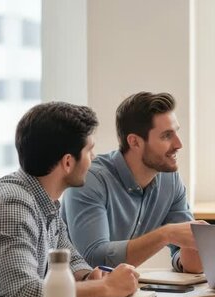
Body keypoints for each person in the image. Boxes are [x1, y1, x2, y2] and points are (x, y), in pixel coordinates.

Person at [0, 102, 139, 297]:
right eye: (89, 150)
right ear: (68, 162)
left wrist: (87, 277)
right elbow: (22, 296)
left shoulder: (44, 199)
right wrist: (107, 287)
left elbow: (70, 259)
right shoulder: (12, 205)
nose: (93, 157)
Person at [61, 92, 205, 273]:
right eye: (166, 136)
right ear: (135, 142)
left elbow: (190, 264)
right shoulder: (90, 180)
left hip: (119, 294)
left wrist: (199, 242)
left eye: (176, 132)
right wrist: (165, 235)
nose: (179, 144)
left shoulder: (170, 179)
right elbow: (93, 259)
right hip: (70, 294)